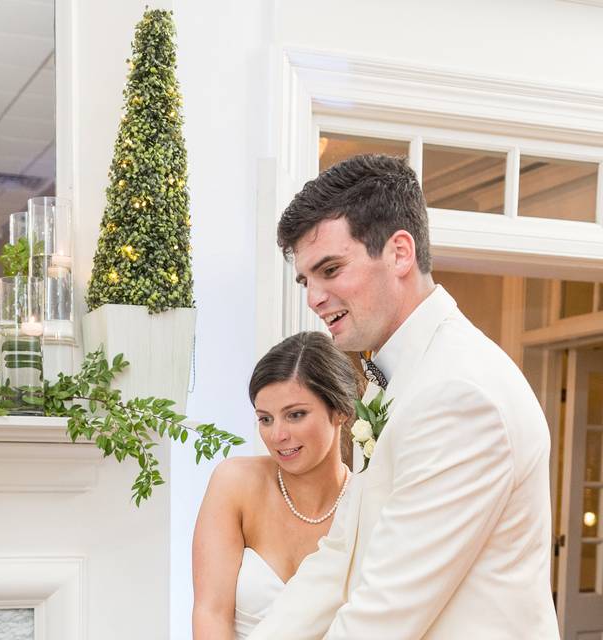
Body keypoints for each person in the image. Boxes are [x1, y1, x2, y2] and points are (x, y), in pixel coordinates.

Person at [248, 154, 558, 639]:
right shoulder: (397, 377)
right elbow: (339, 559)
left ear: (399, 253)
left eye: (330, 269)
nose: (313, 297)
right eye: (307, 280)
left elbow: (384, 612)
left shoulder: (458, 392)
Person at [192, 331, 358, 639]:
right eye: (265, 419)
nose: (277, 435)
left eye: (295, 415)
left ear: (341, 412)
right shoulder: (234, 484)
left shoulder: (366, 502)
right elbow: (210, 612)